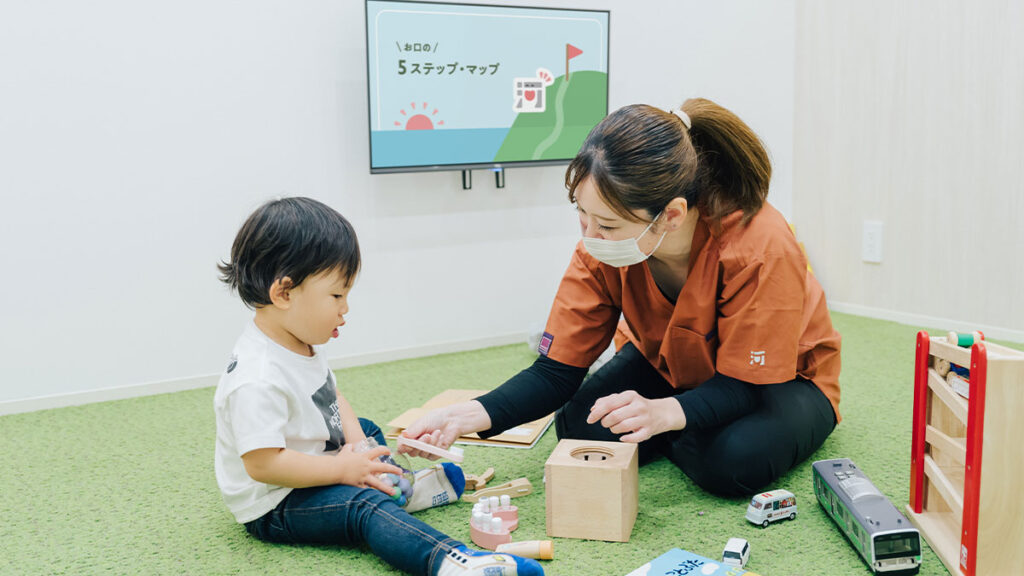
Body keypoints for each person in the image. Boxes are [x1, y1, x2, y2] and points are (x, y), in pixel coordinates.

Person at [401, 99, 841, 497]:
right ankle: (684, 424)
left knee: (732, 462)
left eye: (608, 225)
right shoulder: (599, 251)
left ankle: (685, 427)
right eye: (581, 213)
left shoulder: (760, 246)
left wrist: (667, 413)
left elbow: (746, 382)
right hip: (672, 365)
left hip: (782, 380)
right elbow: (555, 373)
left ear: (671, 215)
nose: (590, 236)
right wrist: (463, 416)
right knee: (578, 425)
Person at [213, 197, 543, 576]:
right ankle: (452, 561)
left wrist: (361, 451)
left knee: (366, 429)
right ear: (284, 293)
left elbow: (332, 398)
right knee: (364, 510)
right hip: (279, 499)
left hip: (316, 460)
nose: (345, 308)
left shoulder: (297, 340)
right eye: (337, 295)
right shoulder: (256, 377)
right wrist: (341, 471)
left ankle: (390, 485)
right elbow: (263, 464)